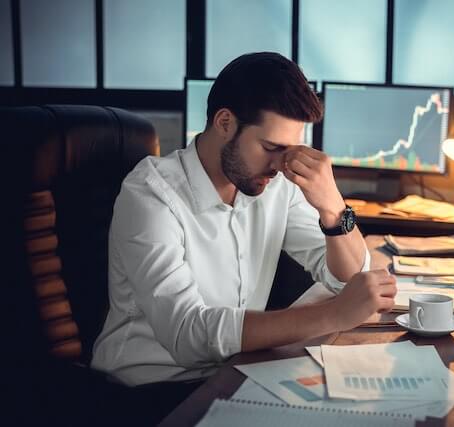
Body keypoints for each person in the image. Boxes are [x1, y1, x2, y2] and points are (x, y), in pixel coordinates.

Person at [91, 52, 397, 391]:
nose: (281, 165)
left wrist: (333, 207)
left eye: (290, 150)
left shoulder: (276, 184)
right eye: (270, 147)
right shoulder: (150, 194)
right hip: (149, 390)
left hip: (237, 372)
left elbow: (349, 281)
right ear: (225, 123)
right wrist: (333, 315)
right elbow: (187, 335)